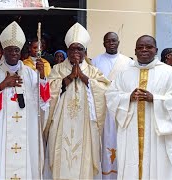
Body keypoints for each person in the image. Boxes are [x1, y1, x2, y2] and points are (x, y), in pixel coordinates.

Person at [105, 35, 172, 179]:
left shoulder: (170, 73)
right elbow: (111, 96)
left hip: (157, 135)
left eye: (148, 47)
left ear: (156, 50)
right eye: (140, 47)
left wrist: (156, 99)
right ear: (135, 51)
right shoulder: (123, 73)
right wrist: (128, 98)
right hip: (130, 133)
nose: (144, 50)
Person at [0, 21, 50, 179]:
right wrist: (1, 86)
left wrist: (42, 77)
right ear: (3, 51)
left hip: (27, 130)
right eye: (9, 50)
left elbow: (44, 100)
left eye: (16, 50)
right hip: (2, 130)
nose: (13, 53)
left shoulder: (30, 73)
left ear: (20, 51)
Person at [46, 22, 109, 179]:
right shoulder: (58, 69)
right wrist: (68, 78)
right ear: (67, 51)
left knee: (84, 159)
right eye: (72, 48)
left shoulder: (93, 71)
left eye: (79, 49)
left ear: (85, 52)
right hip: (62, 124)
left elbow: (105, 90)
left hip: (86, 125)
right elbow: (47, 92)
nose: (76, 52)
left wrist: (83, 77)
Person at [91, 32, 132, 179]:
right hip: (101, 108)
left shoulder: (128, 62)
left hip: (120, 109)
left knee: (120, 139)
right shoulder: (95, 62)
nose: (111, 43)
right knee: (103, 140)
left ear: (119, 42)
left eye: (114, 40)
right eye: (108, 41)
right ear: (104, 44)